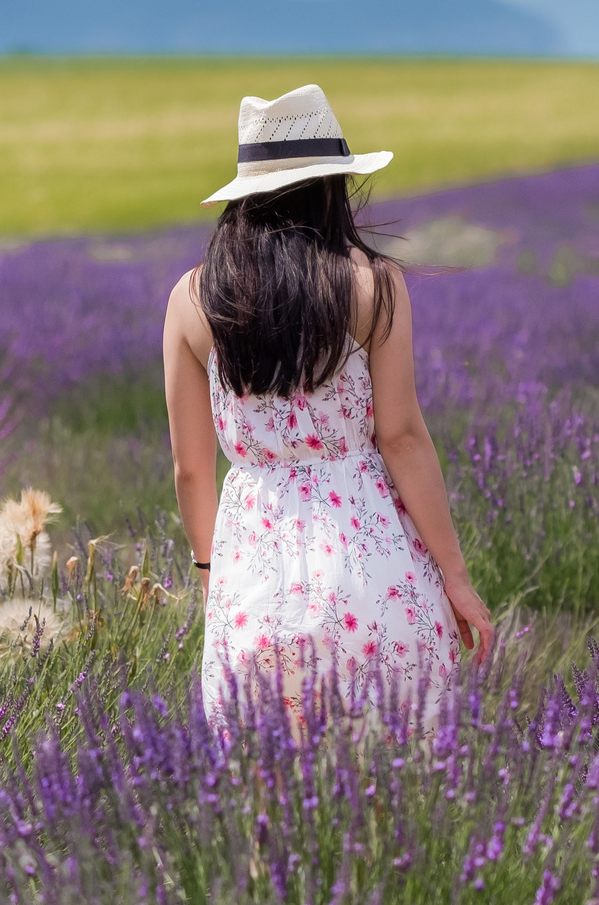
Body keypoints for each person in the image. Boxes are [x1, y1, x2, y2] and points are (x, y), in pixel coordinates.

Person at [163, 84, 494, 733]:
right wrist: (454, 576)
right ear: (331, 187)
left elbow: (191, 470)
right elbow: (400, 438)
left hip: (251, 562)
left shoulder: (192, 298)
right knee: (389, 768)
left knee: (265, 780)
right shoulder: (372, 284)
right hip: (367, 553)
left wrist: (212, 578)